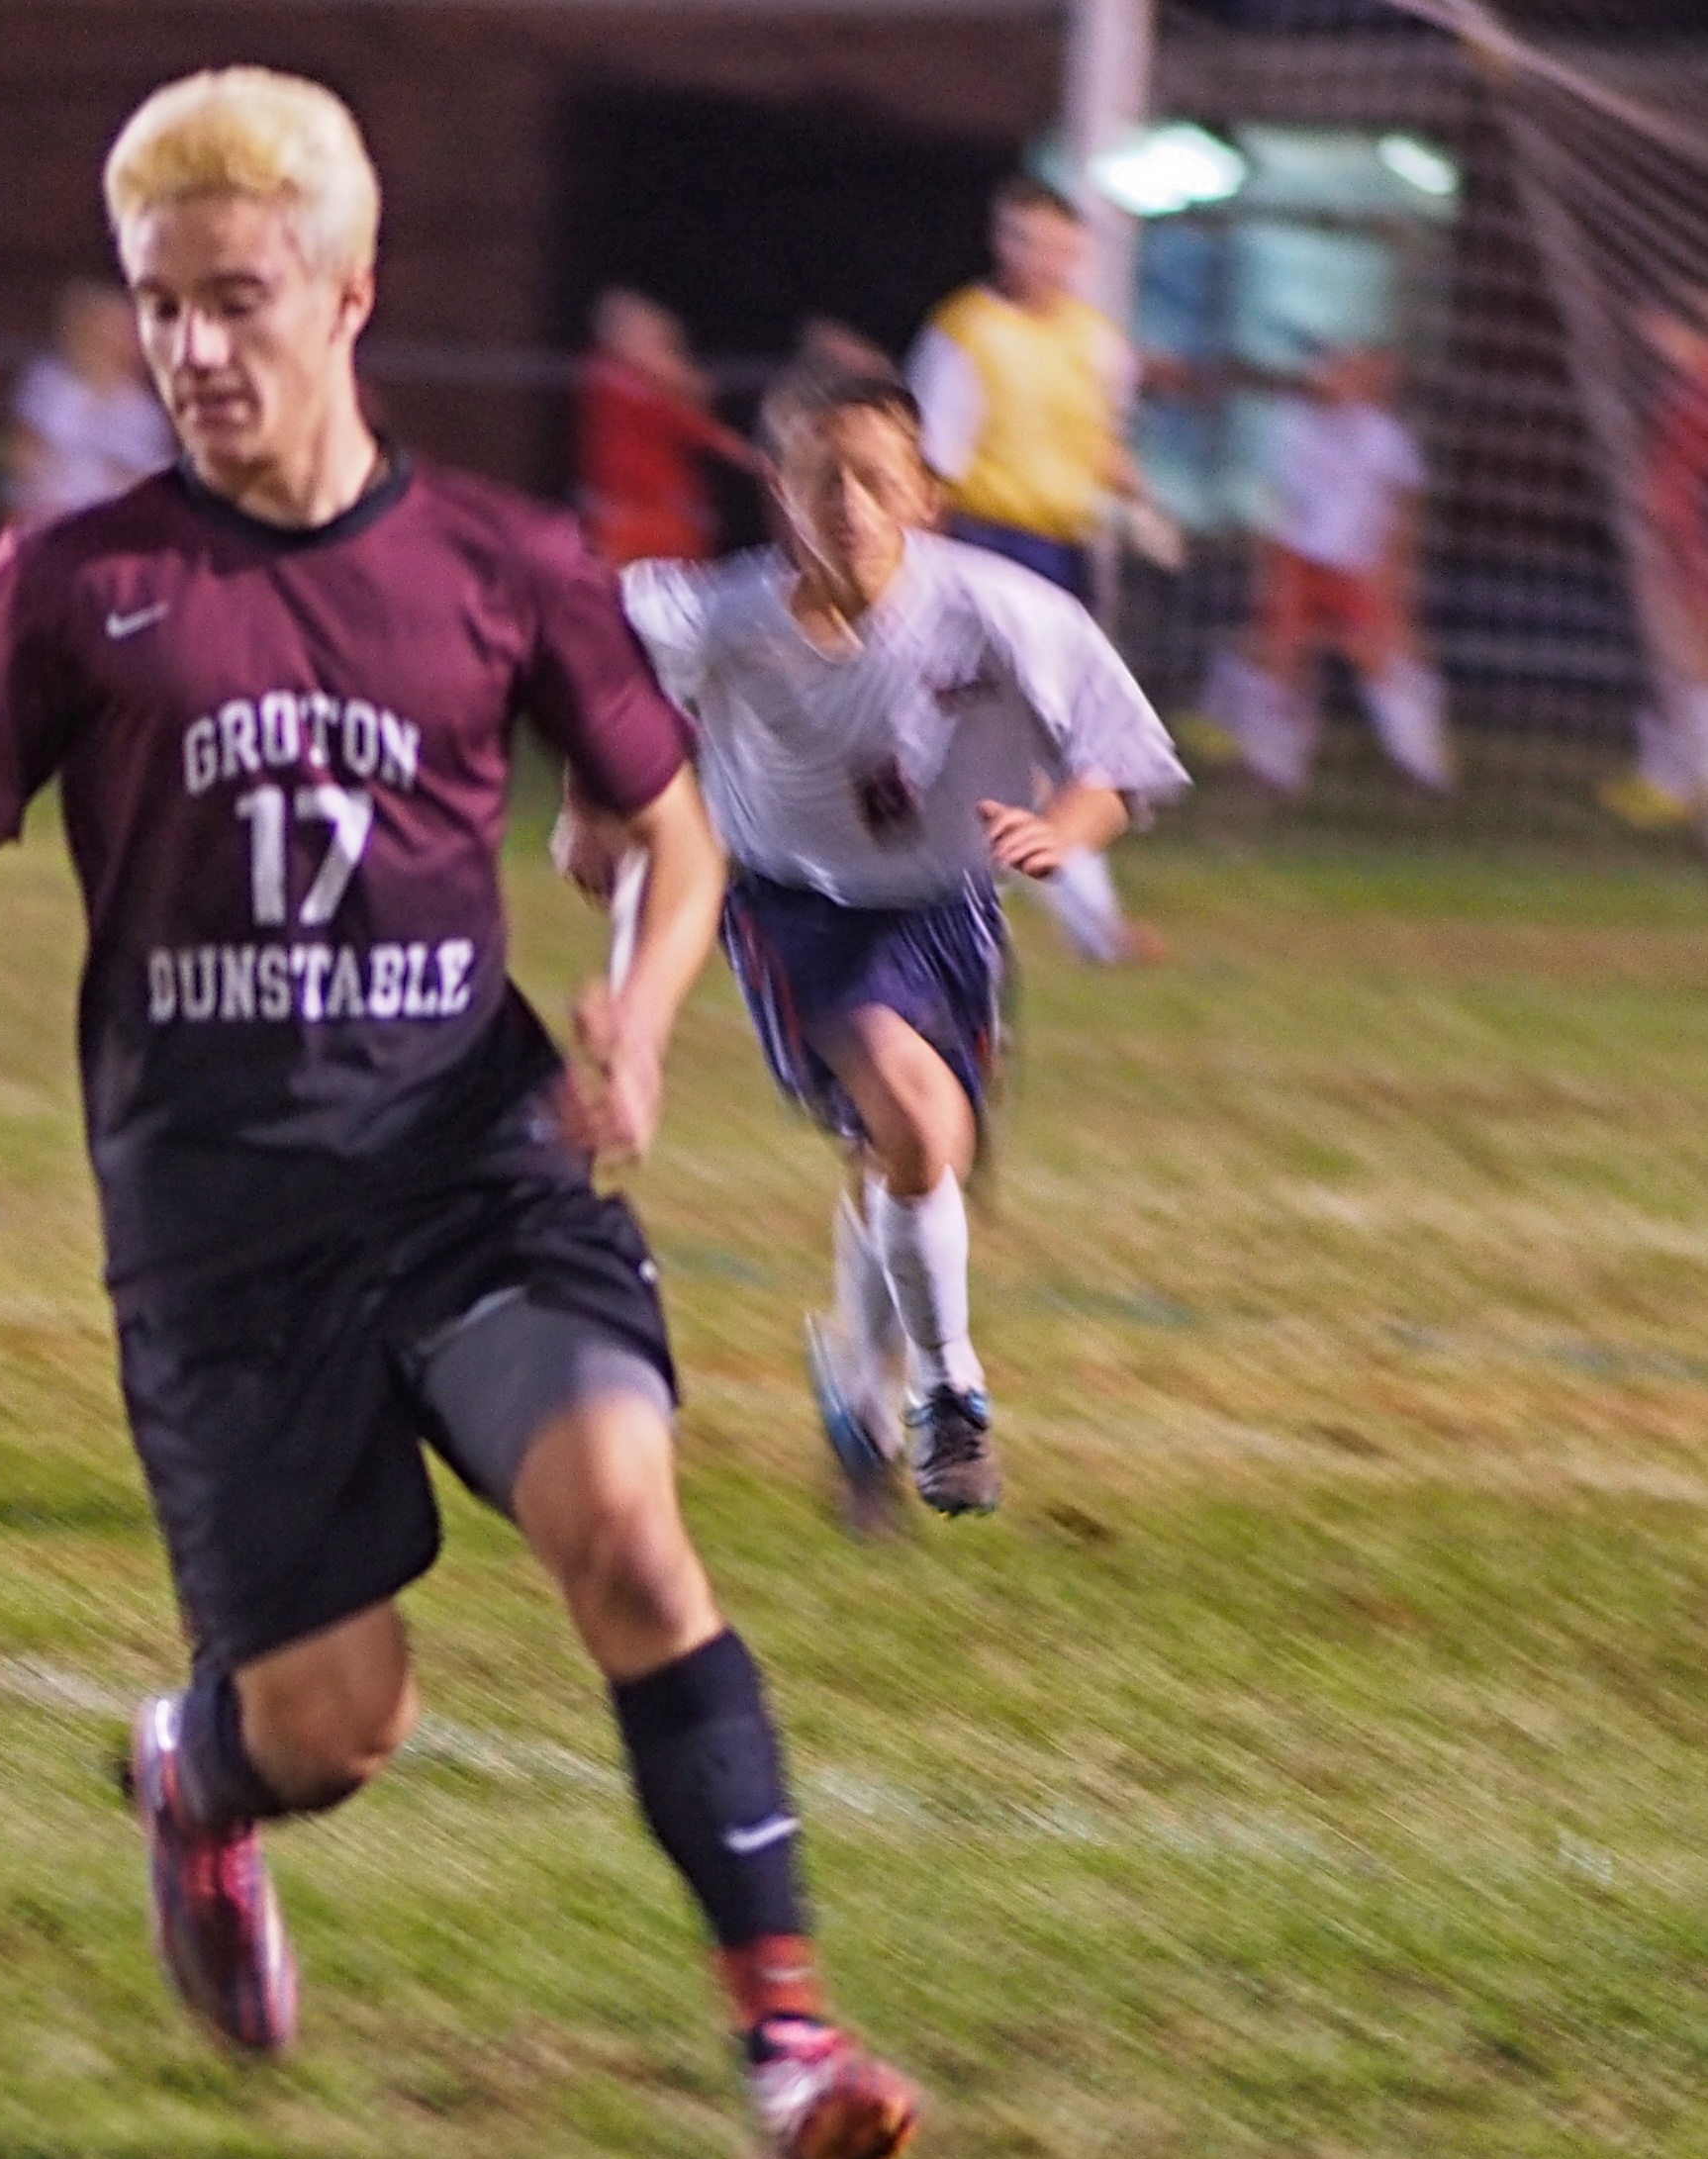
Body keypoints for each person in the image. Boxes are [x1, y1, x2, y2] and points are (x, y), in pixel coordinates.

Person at [0, 64, 918, 2159]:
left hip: (469, 1167)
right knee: (337, 1721)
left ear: (347, 295)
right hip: (221, 1237)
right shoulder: (71, 581)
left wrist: (637, 1015)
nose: (191, 348)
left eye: (235, 298)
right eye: (158, 304)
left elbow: (673, 837)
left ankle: (788, 2035)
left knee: (626, 1533)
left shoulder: (500, 560)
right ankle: (195, 1779)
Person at [586, 360, 1186, 1529]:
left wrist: (1064, 829)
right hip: (794, 912)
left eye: (873, 479)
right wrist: (588, 809)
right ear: (778, 492)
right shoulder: (723, 617)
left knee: (912, 1158)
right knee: (908, 1118)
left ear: (923, 494)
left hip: (946, 911)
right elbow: (591, 672)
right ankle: (948, 1390)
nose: (849, 506)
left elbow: (1117, 756)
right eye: (821, 480)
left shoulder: (998, 610)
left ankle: (857, 1388)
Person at [908, 178, 1164, 964]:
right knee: (985, 734)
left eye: (1056, 246)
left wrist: (1148, 509)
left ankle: (1074, 918)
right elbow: (930, 470)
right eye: (1024, 241)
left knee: (1056, 739)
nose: (1041, 259)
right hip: (985, 547)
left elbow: (1101, 445)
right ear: (1001, 243)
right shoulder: (965, 333)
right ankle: (1083, 923)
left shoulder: (1097, 341)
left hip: (1064, 555)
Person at [1196, 346, 1448, 797]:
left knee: (1378, 652)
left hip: (1358, 564)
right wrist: (1274, 564)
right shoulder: (1290, 426)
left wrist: (1393, 568)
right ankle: (1271, 764)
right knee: (1282, 650)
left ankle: (1421, 761)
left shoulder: (1385, 437)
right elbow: (1277, 502)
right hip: (1301, 556)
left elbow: (1404, 509)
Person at [1603, 297, 1708, 833]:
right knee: (1677, 660)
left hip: (1689, 534)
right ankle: (1671, 777)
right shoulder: (1687, 384)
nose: (1658, 331)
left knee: (1690, 658)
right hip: (1673, 531)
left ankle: (1684, 781)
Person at [574, 290, 756, 571]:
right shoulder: (615, 380)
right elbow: (712, 431)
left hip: (666, 524)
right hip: (631, 524)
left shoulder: (640, 388)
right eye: (664, 344)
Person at [7, 279, 175, 527]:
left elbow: (153, 478)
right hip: (49, 519)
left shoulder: (144, 410)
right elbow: (25, 457)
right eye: (119, 326)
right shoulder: (50, 385)